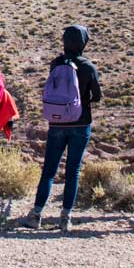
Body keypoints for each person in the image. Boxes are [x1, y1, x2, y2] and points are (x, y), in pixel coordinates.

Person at [19, 24, 102, 232]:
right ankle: (66, 217)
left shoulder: (56, 64)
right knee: (73, 171)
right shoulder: (88, 66)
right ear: (83, 43)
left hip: (57, 122)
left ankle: (36, 213)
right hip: (81, 123)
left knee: (49, 170)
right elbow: (97, 95)